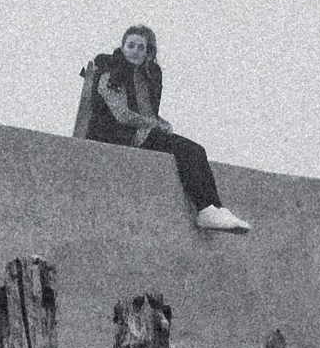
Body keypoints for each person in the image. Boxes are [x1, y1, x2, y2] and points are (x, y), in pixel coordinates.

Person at [75, 24, 251, 233]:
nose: (135, 51)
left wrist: (161, 121)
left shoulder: (144, 76)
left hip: (142, 131)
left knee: (196, 149)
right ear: (122, 47)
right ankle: (205, 209)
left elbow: (146, 114)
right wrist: (155, 124)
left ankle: (216, 208)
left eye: (141, 47)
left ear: (147, 52)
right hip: (118, 135)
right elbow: (121, 114)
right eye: (130, 45)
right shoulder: (111, 74)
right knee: (188, 150)